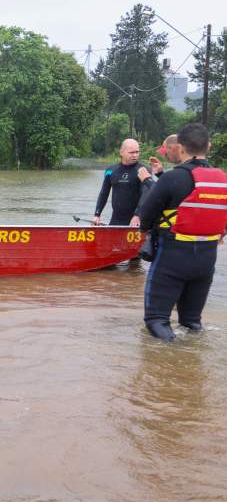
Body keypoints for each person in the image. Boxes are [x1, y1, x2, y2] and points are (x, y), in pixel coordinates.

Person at [138, 123, 227, 341]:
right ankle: (192, 364)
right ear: (209, 146)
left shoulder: (172, 178)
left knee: (156, 320)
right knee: (191, 322)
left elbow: (146, 216)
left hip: (172, 256)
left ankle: (170, 366)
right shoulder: (222, 179)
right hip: (206, 259)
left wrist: (148, 231)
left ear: (180, 148)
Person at [93, 139, 153, 226]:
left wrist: (137, 215)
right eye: (131, 152)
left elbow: (146, 194)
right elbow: (104, 193)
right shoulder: (110, 170)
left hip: (137, 220)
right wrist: (97, 214)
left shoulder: (143, 170)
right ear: (121, 152)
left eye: (137, 152)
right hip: (116, 219)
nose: (135, 155)